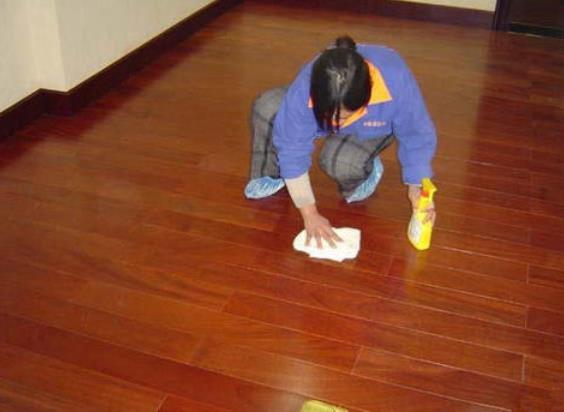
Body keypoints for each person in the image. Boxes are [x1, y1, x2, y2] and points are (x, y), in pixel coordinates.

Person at [244, 35, 436, 248]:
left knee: (341, 163)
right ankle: (273, 173)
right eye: (330, 115)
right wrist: (310, 214)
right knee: (268, 107)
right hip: (314, 114)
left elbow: (416, 135)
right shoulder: (307, 84)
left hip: (370, 127)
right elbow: (291, 148)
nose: (335, 123)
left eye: (343, 116)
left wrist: (417, 185)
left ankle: (365, 170)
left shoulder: (395, 77)